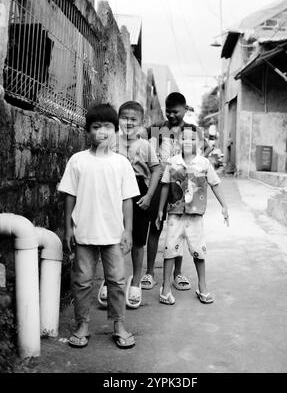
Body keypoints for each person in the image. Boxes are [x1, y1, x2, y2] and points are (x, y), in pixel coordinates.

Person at [58, 103, 139, 349]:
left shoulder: (121, 163)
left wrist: (128, 231)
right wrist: (68, 228)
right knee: (82, 281)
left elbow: (127, 200)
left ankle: (118, 325)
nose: (101, 131)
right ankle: (82, 325)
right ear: (87, 131)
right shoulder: (77, 161)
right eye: (95, 127)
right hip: (84, 233)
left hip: (113, 235)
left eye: (106, 126)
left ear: (115, 130)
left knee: (116, 280)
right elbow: (69, 196)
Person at [141, 92, 212, 292]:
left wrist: (194, 165)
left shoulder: (192, 130)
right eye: (168, 111)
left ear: (185, 109)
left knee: (179, 230)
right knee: (154, 228)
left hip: (181, 186)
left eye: (175, 112)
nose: (171, 115)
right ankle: (149, 273)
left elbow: (207, 148)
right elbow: (139, 139)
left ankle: (177, 274)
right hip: (158, 184)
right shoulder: (156, 129)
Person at [156, 124, 229, 305]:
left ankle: (202, 286)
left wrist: (224, 206)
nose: (188, 141)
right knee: (170, 250)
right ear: (178, 141)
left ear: (199, 142)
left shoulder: (204, 164)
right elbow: (165, 185)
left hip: (195, 216)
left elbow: (215, 184)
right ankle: (165, 289)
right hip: (175, 214)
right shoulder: (172, 162)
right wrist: (160, 210)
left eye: (193, 138)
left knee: (198, 251)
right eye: (184, 138)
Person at [115, 101, 161, 309]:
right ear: (118, 119)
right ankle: (113, 280)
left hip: (139, 194)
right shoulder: (110, 142)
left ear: (142, 122)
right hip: (115, 194)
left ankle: (135, 283)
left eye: (133, 119)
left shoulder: (145, 146)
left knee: (138, 240)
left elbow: (157, 170)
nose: (128, 122)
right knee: (113, 238)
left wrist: (150, 196)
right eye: (124, 118)